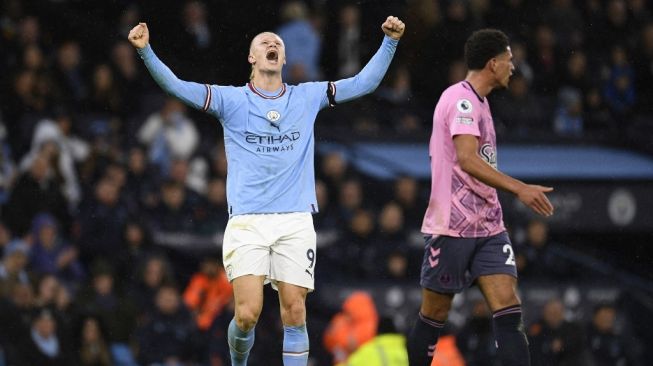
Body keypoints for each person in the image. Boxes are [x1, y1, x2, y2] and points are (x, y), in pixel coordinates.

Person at [128, 16, 405, 366]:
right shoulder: (231, 101)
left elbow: (363, 83)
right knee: (247, 314)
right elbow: (178, 87)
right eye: (264, 43)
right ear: (252, 59)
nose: (272, 45)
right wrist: (145, 51)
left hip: (295, 218)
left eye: (278, 44)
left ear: (284, 59)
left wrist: (390, 42)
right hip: (247, 220)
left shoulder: (307, 96)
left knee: (294, 310)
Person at [407, 29, 554, 366]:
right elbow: (467, 159)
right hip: (452, 226)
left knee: (507, 303)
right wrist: (520, 188)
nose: (513, 67)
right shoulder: (460, 100)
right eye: (509, 60)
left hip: (488, 224)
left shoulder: (480, 102)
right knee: (435, 312)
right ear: (493, 63)